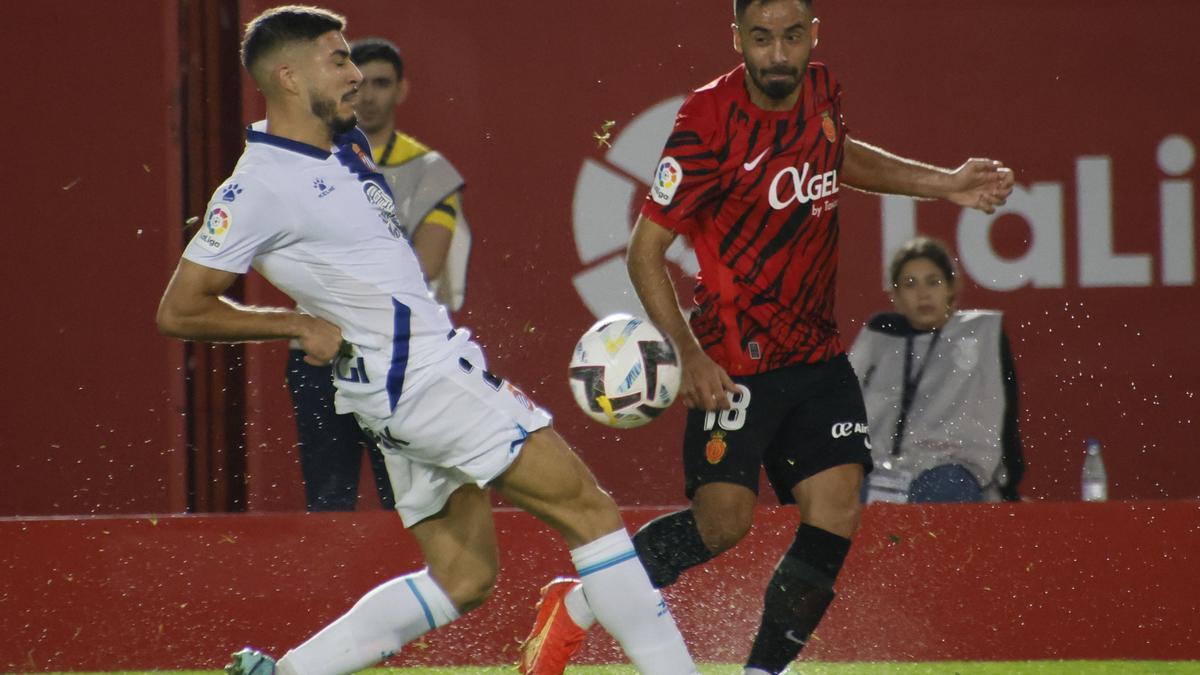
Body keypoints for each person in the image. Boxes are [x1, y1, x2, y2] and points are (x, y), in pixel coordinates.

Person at [155, 6, 697, 674]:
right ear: (288, 77)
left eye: (352, 57)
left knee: (462, 577)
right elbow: (181, 308)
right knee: (590, 511)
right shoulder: (261, 184)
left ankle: (286, 672)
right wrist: (294, 322)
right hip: (424, 380)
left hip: (399, 387)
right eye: (338, 60)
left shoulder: (340, 144)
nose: (356, 75)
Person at [516, 1, 1015, 674]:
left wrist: (944, 184)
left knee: (837, 508)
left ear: (813, 32)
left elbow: (837, 155)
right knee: (723, 524)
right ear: (738, 40)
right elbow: (644, 250)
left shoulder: (821, 88)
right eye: (761, 39)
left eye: (791, 36)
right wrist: (687, 356)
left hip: (815, 354)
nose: (778, 53)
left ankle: (760, 672)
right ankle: (577, 604)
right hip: (731, 360)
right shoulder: (705, 120)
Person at [284, 36, 470, 512]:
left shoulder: (431, 171)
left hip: (401, 357)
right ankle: (337, 590)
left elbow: (425, 265)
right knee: (327, 501)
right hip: (321, 355)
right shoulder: (305, 159)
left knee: (408, 503)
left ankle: (410, 586)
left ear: (402, 90)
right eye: (359, 83)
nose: (367, 96)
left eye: (381, 84)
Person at [849, 237, 1025, 504]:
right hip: (881, 470)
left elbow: (1006, 416)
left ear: (951, 289)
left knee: (943, 489)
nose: (923, 293)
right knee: (841, 497)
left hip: (953, 467)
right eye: (910, 284)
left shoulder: (981, 334)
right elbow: (841, 407)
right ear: (894, 295)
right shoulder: (879, 335)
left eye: (933, 282)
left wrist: (1010, 487)